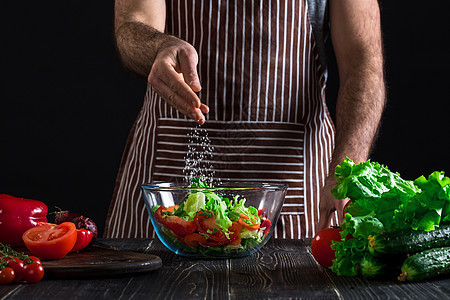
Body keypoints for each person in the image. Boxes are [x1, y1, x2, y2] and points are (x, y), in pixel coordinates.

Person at [104, 0, 385, 239]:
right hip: (168, 180)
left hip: (294, 183)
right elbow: (131, 26)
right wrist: (158, 47)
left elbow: (363, 63)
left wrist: (346, 171)